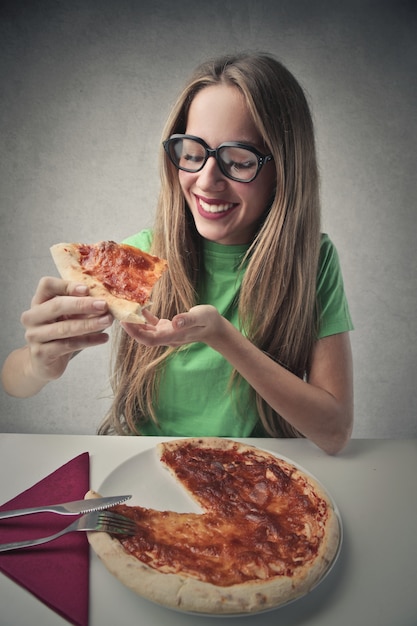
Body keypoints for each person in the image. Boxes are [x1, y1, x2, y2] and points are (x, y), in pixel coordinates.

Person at [1, 52, 354, 454]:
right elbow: (13, 382)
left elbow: (335, 432)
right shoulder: (140, 259)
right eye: (191, 152)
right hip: (148, 470)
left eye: (238, 160)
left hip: (262, 484)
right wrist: (39, 362)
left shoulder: (314, 261)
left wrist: (224, 337)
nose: (206, 180)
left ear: (285, 170)